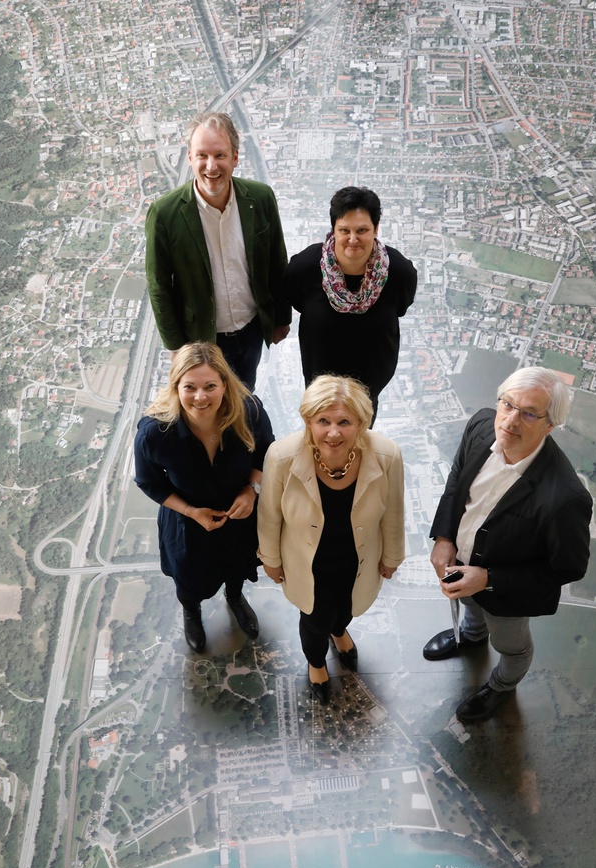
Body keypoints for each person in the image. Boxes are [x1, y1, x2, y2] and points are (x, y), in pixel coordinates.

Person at [423, 366, 593, 723]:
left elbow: (568, 568)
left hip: (508, 595)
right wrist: (444, 537)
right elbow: (456, 479)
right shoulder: (482, 425)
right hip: (461, 564)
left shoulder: (565, 498)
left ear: (551, 425)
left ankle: (502, 686)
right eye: (508, 404)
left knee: (510, 647)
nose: (511, 420)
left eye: (529, 413)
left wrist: (487, 578)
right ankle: (471, 637)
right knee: (470, 605)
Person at [257, 375, 405, 705]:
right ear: (308, 421)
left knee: (347, 608)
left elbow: (394, 511)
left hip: (358, 557)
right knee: (314, 619)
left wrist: (392, 556)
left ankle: (339, 631)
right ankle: (316, 664)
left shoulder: (387, 455)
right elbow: (269, 515)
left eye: (345, 422)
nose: (334, 433)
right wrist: (270, 559)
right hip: (306, 562)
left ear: (362, 423)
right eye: (323, 421)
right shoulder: (281, 456)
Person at [134, 342, 274, 653]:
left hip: (241, 515)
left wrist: (252, 490)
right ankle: (191, 611)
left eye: (210, 386)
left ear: (224, 384)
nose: (200, 397)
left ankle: (235, 597)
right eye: (190, 387)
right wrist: (190, 511)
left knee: (238, 564)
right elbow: (149, 482)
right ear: (176, 387)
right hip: (187, 523)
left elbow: (266, 451)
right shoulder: (155, 432)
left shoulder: (249, 411)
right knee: (189, 577)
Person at [144, 111, 291, 390]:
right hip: (200, 340)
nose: (211, 166)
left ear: (235, 157)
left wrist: (281, 319)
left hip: (251, 330)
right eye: (202, 155)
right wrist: (176, 346)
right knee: (206, 406)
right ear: (190, 157)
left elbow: (277, 261)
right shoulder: (165, 214)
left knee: (244, 396)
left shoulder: (261, 198)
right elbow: (158, 284)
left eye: (220, 155)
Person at [283, 186, 417, 422]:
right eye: (344, 230)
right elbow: (293, 299)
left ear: (376, 228)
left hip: (367, 395)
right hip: (319, 392)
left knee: (360, 444)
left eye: (362, 230)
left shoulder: (399, 272)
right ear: (333, 230)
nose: (353, 240)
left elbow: (401, 307)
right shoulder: (305, 267)